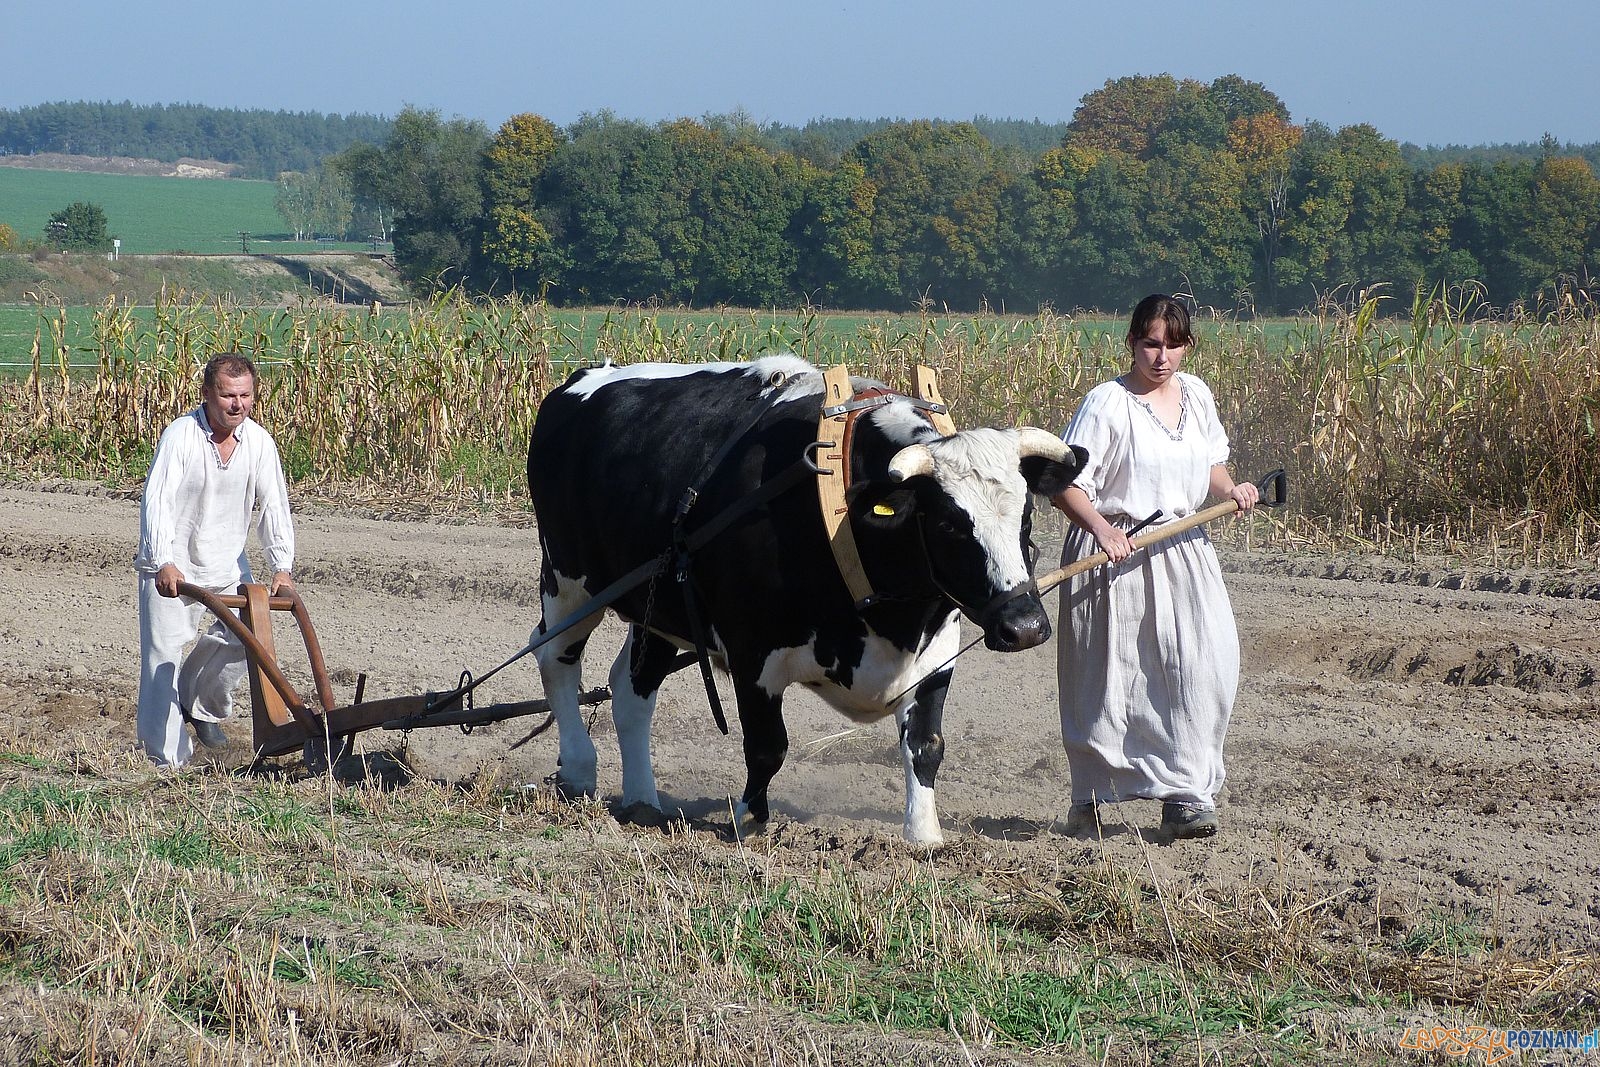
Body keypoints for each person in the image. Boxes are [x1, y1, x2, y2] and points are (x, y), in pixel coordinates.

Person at [1050, 294, 1257, 839]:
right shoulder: (1106, 405)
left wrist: (1232, 487)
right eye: (1150, 343)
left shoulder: (1197, 396)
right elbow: (1066, 487)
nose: (1160, 356)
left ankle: (1186, 793)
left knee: (1203, 667)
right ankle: (1092, 797)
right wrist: (1103, 530)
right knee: (1115, 680)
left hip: (1183, 550)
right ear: (1132, 343)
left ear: (1187, 347)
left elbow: (1210, 463)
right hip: (1112, 558)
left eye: (1172, 344)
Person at [134, 353, 296, 769]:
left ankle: (201, 706)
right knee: (162, 659)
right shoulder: (181, 436)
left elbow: (273, 505)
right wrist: (163, 559)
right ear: (207, 393)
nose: (237, 405)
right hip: (173, 565)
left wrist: (281, 566)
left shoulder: (259, 443)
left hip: (226, 564)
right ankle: (168, 763)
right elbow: (158, 500)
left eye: (245, 396)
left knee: (249, 639)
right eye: (227, 396)